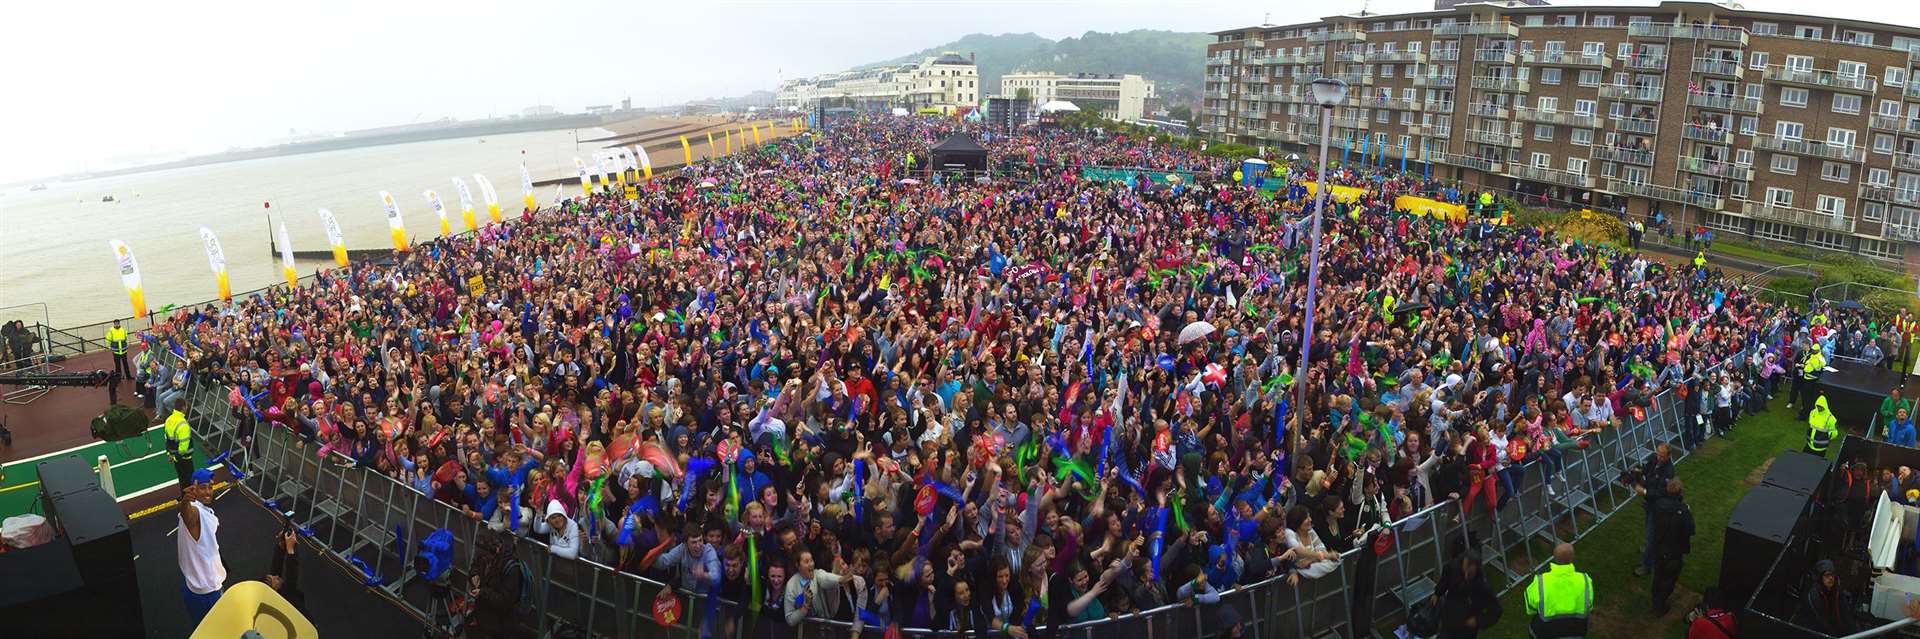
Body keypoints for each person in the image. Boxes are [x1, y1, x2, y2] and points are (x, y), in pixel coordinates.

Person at [178, 469, 227, 629]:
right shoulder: (195, 511)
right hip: (206, 590)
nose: (208, 492)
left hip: (193, 584)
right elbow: (189, 516)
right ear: (194, 488)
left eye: (210, 487)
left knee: (202, 629)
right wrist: (185, 501)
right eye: (203, 487)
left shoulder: (203, 510)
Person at [1523, 543, 1592, 639]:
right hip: (1576, 631)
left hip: (1545, 632)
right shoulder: (1585, 580)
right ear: (1572, 558)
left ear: (1554, 558)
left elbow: (1530, 608)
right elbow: (1589, 605)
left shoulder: (1540, 581)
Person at [1649, 479, 1695, 616]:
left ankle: (1655, 599)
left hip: (1659, 548)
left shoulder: (1658, 505)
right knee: (1668, 580)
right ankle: (1659, 605)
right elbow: (1691, 530)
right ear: (1680, 493)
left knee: (1658, 575)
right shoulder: (1683, 511)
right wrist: (1685, 509)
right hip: (1673, 552)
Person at [1431, 550, 1501, 638]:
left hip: (1466, 630)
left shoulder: (1482, 587)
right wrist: (1437, 593)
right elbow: (1445, 579)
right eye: (1467, 565)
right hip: (1448, 621)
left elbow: (1496, 610)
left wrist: (1478, 620)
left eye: (1471, 568)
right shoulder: (1453, 568)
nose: (1468, 571)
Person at [1633, 443, 1675, 578]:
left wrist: (1644, 491)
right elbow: (1648, 469)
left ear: (1668, 456)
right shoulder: (1654, 459)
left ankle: (1646, 565)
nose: (1659, 458)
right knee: (1648, 527)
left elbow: (1661, 493)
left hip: (1658, 506)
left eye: (1662, 456)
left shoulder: (1669, 471)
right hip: (1649, 503)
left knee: (1652, 535)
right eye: (1658, 454)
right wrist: (1640, 471)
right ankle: (1648, 548)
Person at [1798, 559, 1855, 634]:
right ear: (1820, 578)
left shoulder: (1838, 593)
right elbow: (1816, 624)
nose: (1831, 578)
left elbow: (1846, 617)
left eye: (1832, 575)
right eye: (1827, 575)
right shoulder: (1814, 597)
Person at [265, 526, 305, 612]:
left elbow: (275, 568)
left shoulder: (275, 590)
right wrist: (290, 549)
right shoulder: (286, 596)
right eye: (273, 580)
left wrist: (281, 544)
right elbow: (292, 576)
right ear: (274, 590)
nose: (276, 576)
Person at [160, 397, 195, 487]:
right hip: (184, 458)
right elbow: (183, 447)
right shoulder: (183, 424)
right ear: (183, 408)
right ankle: (189, 499)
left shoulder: (169, 420)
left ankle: (183, 498)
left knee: (181, 478)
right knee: (189, 479)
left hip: (174, 456)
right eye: (186, 406)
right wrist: (177, 456)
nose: (187, 408)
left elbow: (167, 439)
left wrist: (170, 455)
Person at [1794, 347, 1827, 418]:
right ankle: (1808, 412)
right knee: (1811, 397)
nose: (1812, 350)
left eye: (1813, 350)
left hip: (1809, 379)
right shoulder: (1820, 357)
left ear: (1817, 350)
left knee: (1806, 397)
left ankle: (1804, 414)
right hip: (1814, 379)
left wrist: (1803, 366)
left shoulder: (1815, 359)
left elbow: (1807, 369)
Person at [105, 319, 131, 386]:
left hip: (124, 350)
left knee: (126, 364)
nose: (117, 324)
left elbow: (126, 338)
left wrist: (127, 344)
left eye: (117, 323)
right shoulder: (111, 330)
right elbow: (108, 339)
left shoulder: (123, 329)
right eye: (115, 323)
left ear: (119, 323)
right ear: (114, 324)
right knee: (117, 365)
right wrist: (108, 346)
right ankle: (118, 378)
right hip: (116, 351)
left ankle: (129, 376)